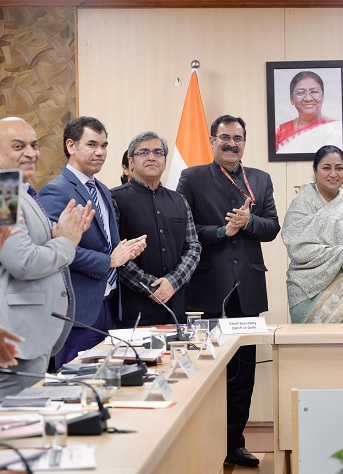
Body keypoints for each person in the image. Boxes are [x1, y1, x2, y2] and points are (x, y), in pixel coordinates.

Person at [176, 114, 280, 467]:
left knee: (243, 374)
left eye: (238, 138)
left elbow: (272, 227)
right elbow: (185, 228)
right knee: (207, 373)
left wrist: (248, 222)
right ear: (212, 140)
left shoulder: (260, 179)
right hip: (207, 292)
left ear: (244, 143)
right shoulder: (191, 178)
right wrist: (223, 232)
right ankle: (203, 444)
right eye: (225, 137)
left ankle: (234, 442)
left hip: (247, 292)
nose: (231, 144)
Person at [39, 116, 146, 368]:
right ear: (71, 146)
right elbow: (58, 250)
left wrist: (126, 251)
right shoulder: (56, 190)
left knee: (109, 384)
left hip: (111, 307)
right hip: (78, 313)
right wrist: (109, 260)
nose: (100, 152)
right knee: (78, 385)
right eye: (92, 145)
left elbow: (108, 245)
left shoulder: (103, 190)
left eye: (104, 145)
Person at [0, 117, 93, 396]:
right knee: (17, 422)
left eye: (34, 145)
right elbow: (24, 262)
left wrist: (57, 236)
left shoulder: (20, 190)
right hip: (17, 341)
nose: (31, 153)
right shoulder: (5, 193)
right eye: (18, 146)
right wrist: (66, 241)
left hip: (28, 338)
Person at [112, 132, 201, 327]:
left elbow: (193, 247)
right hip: (133, 310)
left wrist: (172, 282)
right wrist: (151, 287)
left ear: (165, 161)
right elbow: (114, 253)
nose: (152, 157)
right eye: (144, 152)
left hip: (175, 306)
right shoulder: (114, 199)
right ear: (131, 162)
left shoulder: (179, 200)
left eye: (158, 152)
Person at [283, 145, 343, 323]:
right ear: (315, 171)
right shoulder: (301, 204)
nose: (333, 174)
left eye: (339, 168)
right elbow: (297, 248)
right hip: (307, 292)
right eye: (326, 168)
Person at [275, 71, 342, 153]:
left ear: (323, 96)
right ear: (291, 98)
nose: (308, 98)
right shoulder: (280, 132)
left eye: (314, 92)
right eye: (300, 93)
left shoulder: (337, 129)